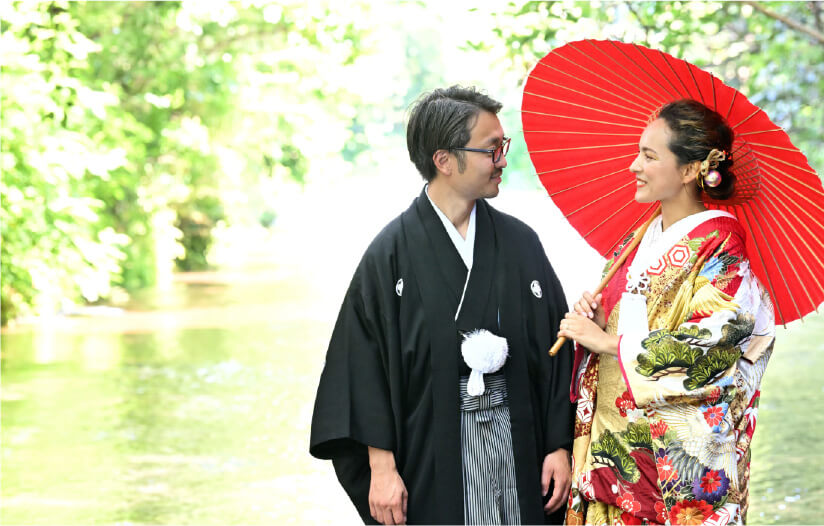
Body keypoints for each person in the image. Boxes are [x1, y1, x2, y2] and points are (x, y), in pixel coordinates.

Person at [309, 85, 574, 525]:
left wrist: (559, 446)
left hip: (521, 451)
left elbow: (557, 352)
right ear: (444, 160)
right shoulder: (390, 254)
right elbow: (361, 367)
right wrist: (381, 466)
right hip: (433, 456)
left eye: (503, 147)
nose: (503, 160)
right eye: (493, 149)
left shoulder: (521, 243)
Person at [555, 99, 775, 525]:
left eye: (649, 156)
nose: (634, 166)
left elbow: (713, 347)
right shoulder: (637, 238)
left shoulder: (721, 244)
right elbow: (618, 327)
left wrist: (606, 341)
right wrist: (598, 320)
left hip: (671, 464)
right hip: (611, 449)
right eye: (638, 152)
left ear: (691, 170)